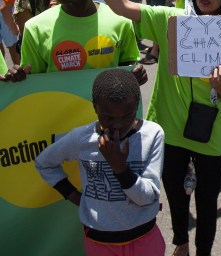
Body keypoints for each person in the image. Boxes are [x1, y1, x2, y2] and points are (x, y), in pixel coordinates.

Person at [52, 0, 221, 256]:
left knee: (207, 206)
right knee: (177, 198)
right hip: (171, 132)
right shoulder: (170, 20)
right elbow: (121, 6)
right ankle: (181, 241)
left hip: (212, 139)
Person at [34, 68, 165, 256]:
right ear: (95, 107)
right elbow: (44, 163)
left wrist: (121, 169)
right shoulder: (82, 138)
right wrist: (74, 196)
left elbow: (147, 198)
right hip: (100, 241)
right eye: (108, 117)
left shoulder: (152, 134)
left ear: (136, 105)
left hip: (144, 237)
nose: (118, 125)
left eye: (127, 116)